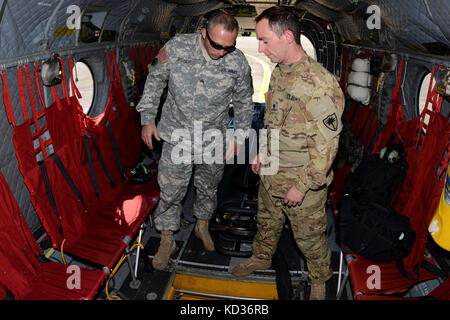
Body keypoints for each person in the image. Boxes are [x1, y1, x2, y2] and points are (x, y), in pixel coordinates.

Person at [231, 6, 345, 300]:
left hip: (301, 182)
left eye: (265, 40)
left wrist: (303, 185)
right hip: (271, 172)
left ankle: (319, 280)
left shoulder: (319, 85)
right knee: (266, 223)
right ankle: (261, 257)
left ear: (288, 37)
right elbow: (273, 119)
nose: (259, 48)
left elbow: (327, 145)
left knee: (309, 238)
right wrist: (261, 153)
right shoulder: (280, 72)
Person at [136, 9, 254, 270]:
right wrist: (147, 119)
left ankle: (202, 225)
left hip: (214, 137)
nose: (221, 52)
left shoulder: (237, 62)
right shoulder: (177, 48)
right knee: (170, 191)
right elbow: (155, 80)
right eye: (216, 45)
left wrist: (239, 137)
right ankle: (167, 238)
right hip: (177, 133)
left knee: (208, 187)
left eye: (228, 47)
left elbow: (246, 102)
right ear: (203, 33)